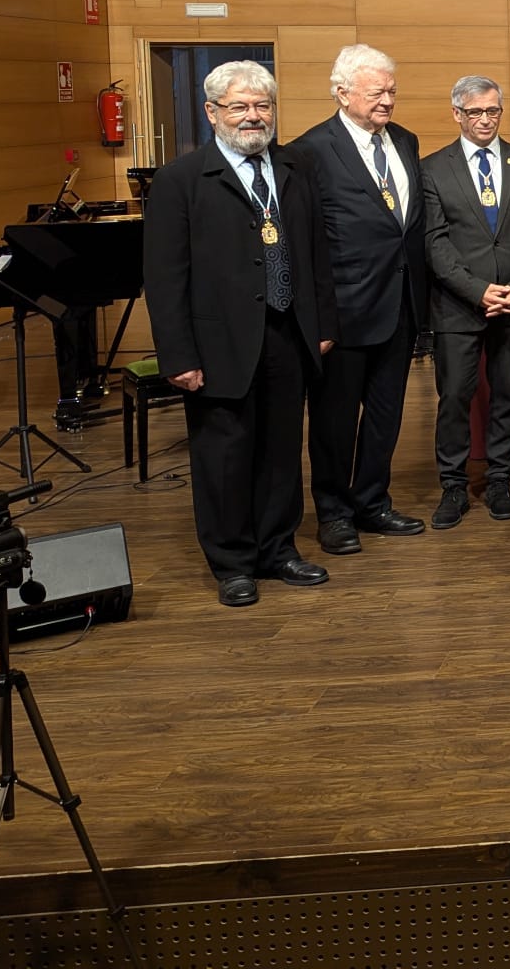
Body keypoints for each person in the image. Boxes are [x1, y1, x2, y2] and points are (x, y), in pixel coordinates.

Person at [143, 60, 338, 607]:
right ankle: (232, 563)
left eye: (262, 106)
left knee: (280, 450)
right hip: (217, 343)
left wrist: (322, 325)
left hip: (288, 333)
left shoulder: (295, 166)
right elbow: (163, 278)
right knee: (224, 455)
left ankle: (279, 550)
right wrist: (178, 354)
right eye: (240, 106)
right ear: (212, 113)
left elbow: (315, 255)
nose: (254, 116)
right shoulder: (181, 181)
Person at [288, 43, 428, 556]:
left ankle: (373, 501)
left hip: (400, 307)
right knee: (334, 420)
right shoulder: (310, 150)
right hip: (342, 313)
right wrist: (317, 317)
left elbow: (405, 229)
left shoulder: (405, 142)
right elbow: (305, 242)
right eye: (377, 92)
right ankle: (334, 513)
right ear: (342, 93)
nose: (388, 101)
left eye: (392, 91)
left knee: (386, 414)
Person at [422, 76, 510, 531]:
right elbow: (435, 242)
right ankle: (454, 486)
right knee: (455, 397)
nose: (485, 120)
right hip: (459, 305)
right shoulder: (433, 168)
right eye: (476, 112)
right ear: (457, 114)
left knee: (507, 394)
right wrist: (477, 290)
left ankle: (499, 479)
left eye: (493, 111)